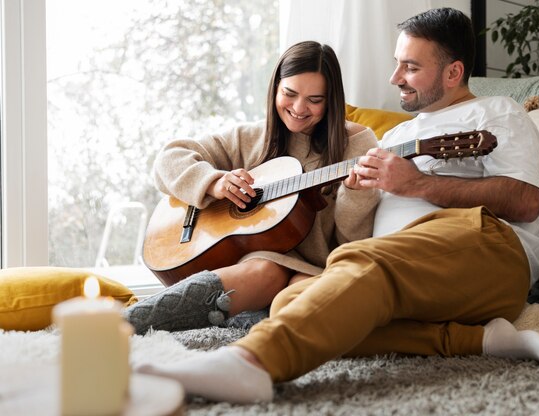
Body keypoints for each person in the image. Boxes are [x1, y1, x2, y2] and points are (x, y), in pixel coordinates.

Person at [133, 8, 539, 404]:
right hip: (403, 271)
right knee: (291, 303)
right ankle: (483, 340)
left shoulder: (494, 114)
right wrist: (353, 195)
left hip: (485, 248)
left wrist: (420, 184)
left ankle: (250, 362)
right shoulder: (393, 138)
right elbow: (351, 234)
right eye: (398, 63)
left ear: (453, 72)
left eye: (411, 67)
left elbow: (525, 201)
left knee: (364, 264)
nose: (396, 77)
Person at [124, 41, 380, 334]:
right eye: (290, 93)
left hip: (313, 268)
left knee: (298, 299)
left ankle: (243, 323)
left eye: (315, 99)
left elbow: (353, 243)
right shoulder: (249, 137)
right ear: (275, 89)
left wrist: (357, 194)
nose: (298, 108)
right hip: (251, 268)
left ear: (331, 100)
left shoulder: (359, 144)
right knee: (265, 271)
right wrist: (212, 182)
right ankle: (123, 325)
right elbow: (168, 160)